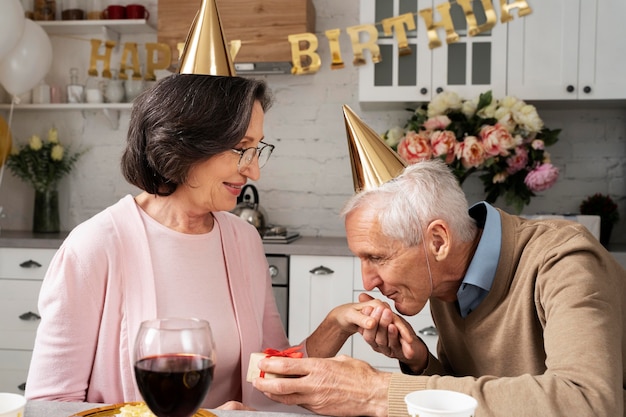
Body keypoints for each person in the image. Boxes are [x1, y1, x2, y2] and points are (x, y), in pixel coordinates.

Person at [24, 74, 373, 410]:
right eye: (241, 149)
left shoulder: (243, 239)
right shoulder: (94, 247)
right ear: (185, 144)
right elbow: (49, 407)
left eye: (257, 150)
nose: (254, 172)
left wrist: (337, 324)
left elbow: (270, 374)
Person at [251, 159, 626, 417]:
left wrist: (376, 392)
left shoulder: (564, 261)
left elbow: (588, 403)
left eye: (377, 258)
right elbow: (477, 395)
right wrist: (420, 364)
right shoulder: (445, 278)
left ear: (438, 241)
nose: (368, 283)